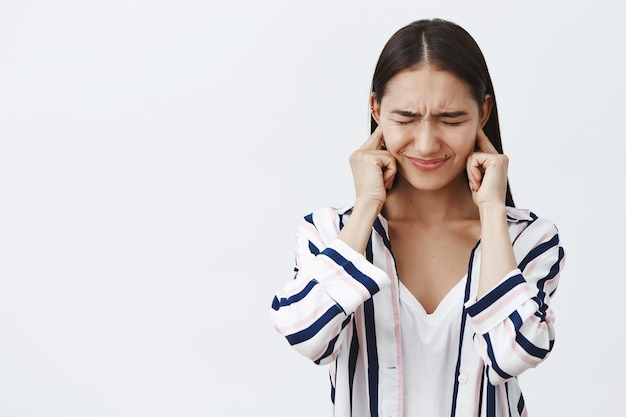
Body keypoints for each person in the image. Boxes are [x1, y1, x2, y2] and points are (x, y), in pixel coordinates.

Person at [270, 18, 565, 417]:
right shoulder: (329, 233)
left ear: (483, 113)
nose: (426, 144)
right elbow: (306, 334)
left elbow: (511, 356)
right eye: (406, 119)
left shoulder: (528, 239)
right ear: (375, 110)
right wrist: (366, 207)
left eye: (451, 119)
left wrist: (493, 212)